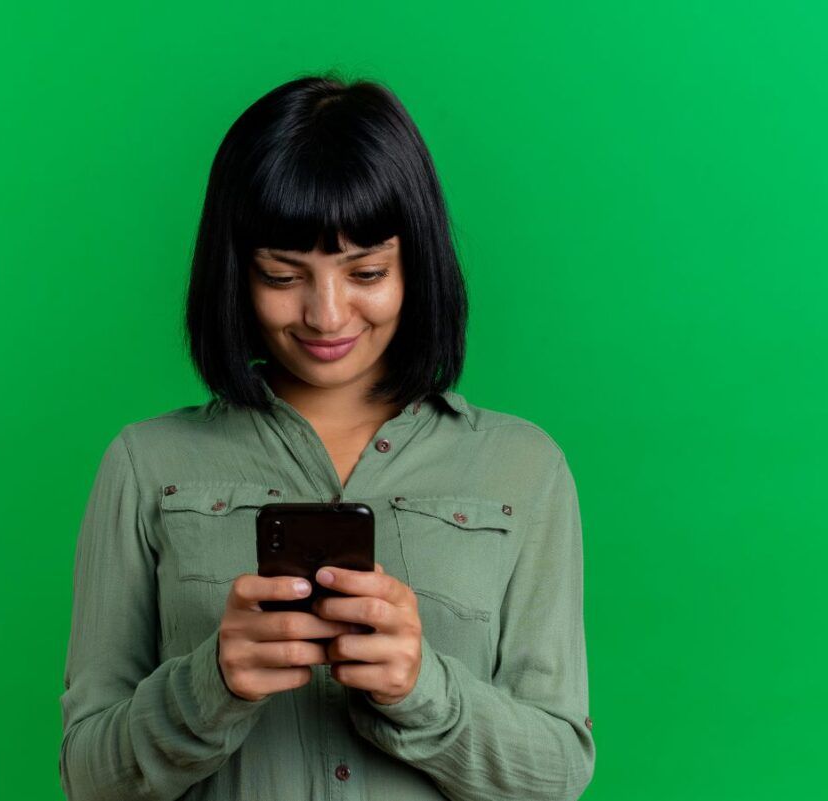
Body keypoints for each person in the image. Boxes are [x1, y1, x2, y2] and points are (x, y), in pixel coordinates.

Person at [59, 74, 596, 801]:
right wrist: (210, 681)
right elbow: (89, 776)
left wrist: (422, 689)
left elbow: (557, 776)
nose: (326, 313)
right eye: (283, 274)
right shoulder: (145, 464)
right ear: (237, 274)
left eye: (366, 271)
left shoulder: (522, 469)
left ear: (417, 264)